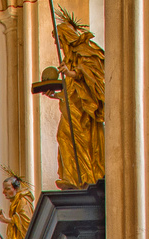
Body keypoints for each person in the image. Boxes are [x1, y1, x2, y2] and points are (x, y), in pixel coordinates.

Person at [43, 9, 104, 187]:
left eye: (58, 40)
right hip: (71, 108)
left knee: (80, 141)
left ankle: (84, 177)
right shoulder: (67, 59)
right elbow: (71, 92)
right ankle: (72, 178)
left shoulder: (83, 51)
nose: (58, 44)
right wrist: (56, 95)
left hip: (83, 111)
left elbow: (92, 74)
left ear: (66, 37)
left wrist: (72, 73)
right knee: (63, 137)